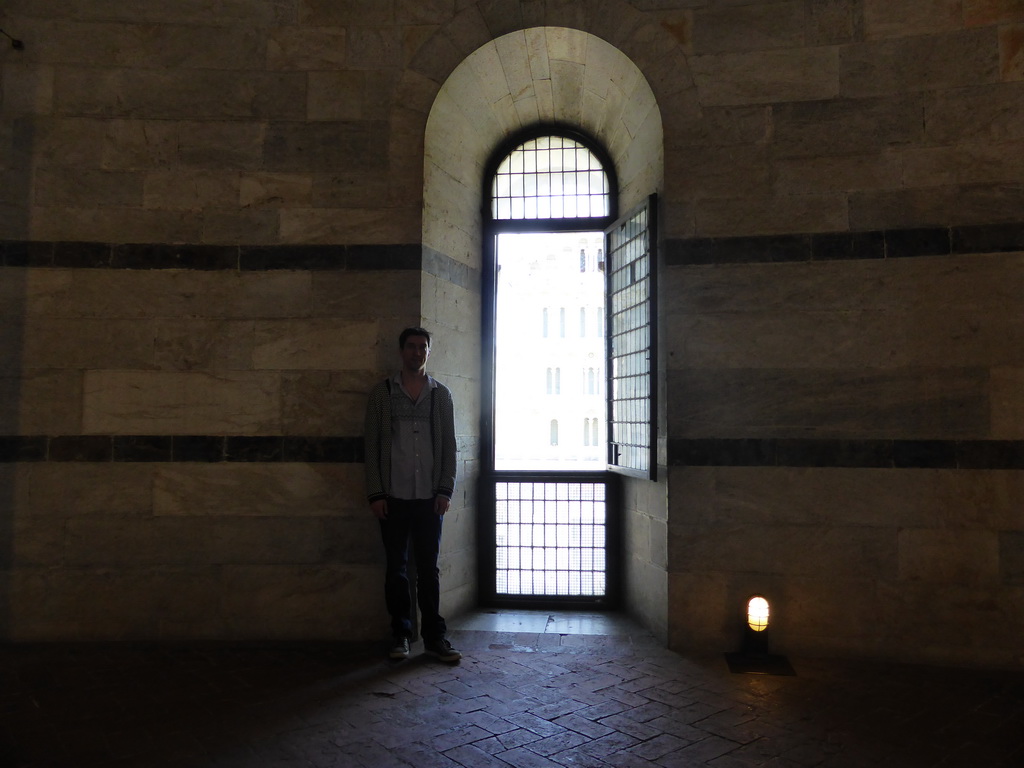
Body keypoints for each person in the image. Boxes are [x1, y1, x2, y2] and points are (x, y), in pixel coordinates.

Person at [363, 327, 461, 662]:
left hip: (429, 498)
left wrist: (444, 490)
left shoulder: (440, 395)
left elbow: (449, 447)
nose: (416, 352)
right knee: (397, 569)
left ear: (429, 353)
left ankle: (435, 636)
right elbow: (372, 447)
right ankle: (401, 634)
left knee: (428, 570)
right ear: (401, 351)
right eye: (411, 346)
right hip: (392, 497)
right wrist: (376, 494)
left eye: (422, 347)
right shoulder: (382, 394)